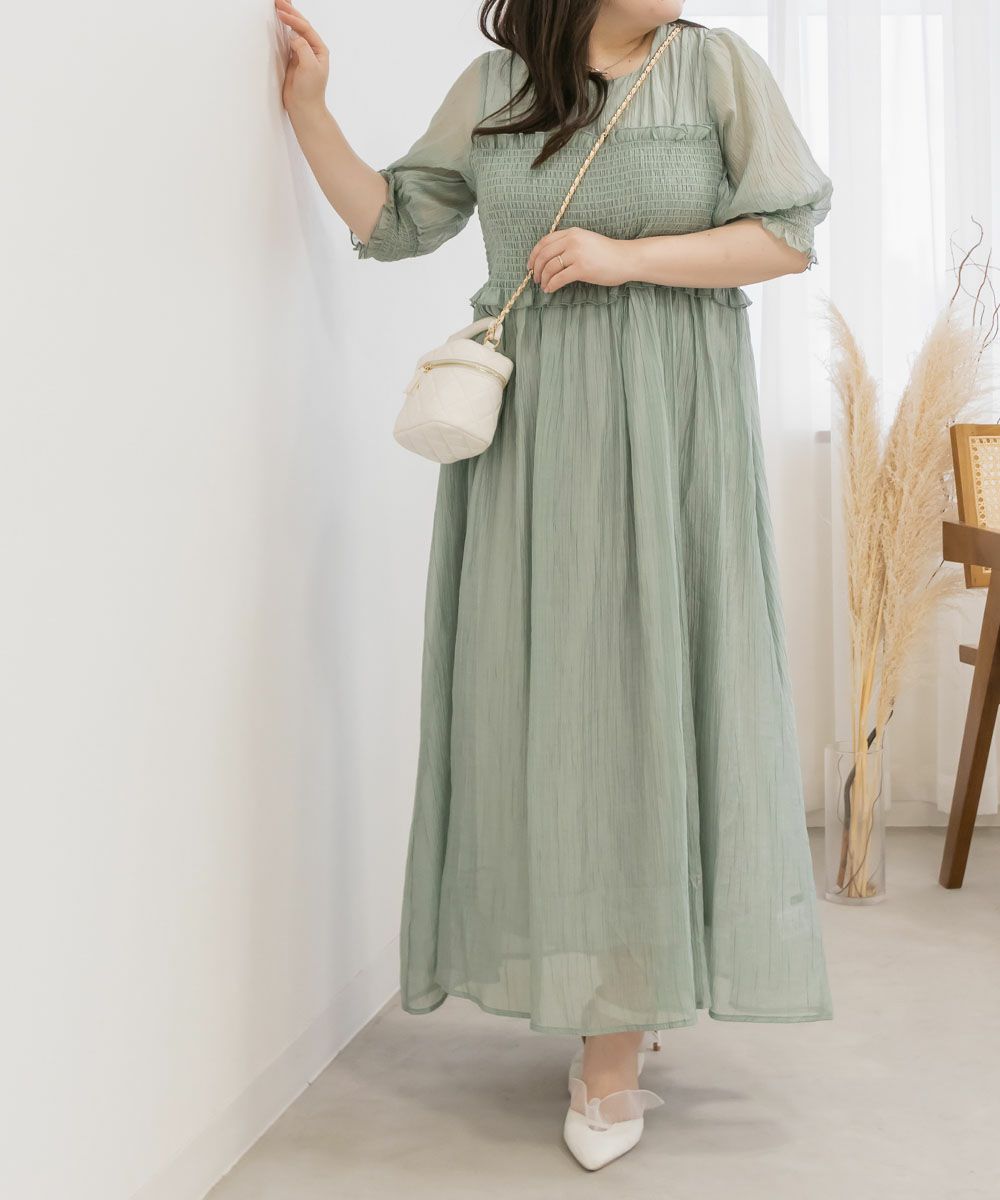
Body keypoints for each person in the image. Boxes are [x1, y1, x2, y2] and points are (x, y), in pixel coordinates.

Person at [276, 0, 834, 1171]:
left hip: (672, 421)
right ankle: (619, 982)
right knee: (564, 715)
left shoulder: (714, 67)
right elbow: (395, 220)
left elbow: (786, 233)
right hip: (533, 440)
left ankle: (612, 1044)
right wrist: (310, 111)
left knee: (645, 699)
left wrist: (628, 257)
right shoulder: (496, 87)